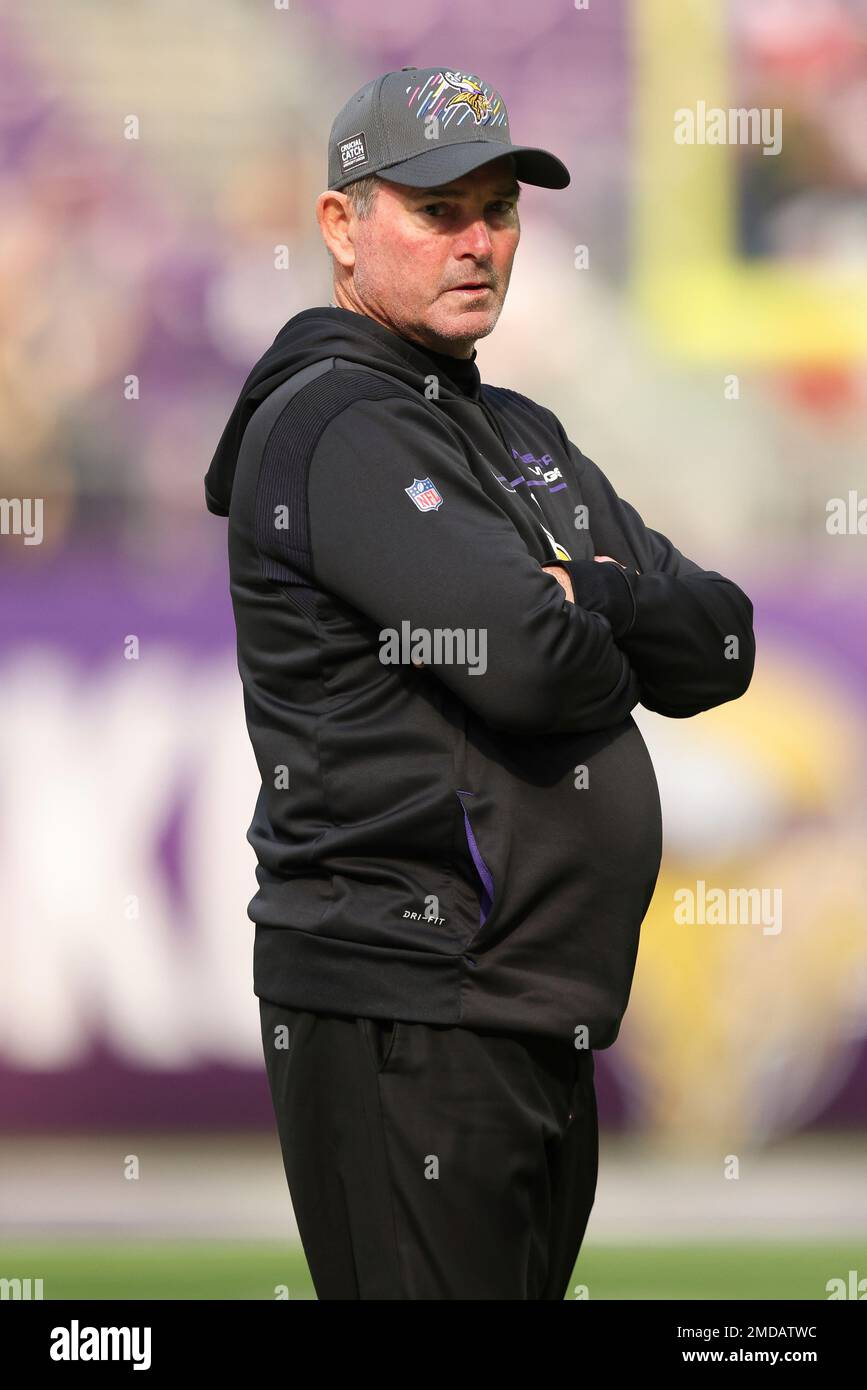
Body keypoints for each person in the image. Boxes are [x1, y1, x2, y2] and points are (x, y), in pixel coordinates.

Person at [204, 65, 755, 1299]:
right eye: (437, 209)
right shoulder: (335, 422)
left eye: (498, 208)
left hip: (519, 1004)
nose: (479, 241)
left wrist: (596, 592)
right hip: (409, 997)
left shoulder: (516, 432)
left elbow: (722, 641)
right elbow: (523, 662)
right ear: (342, 226)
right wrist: (588, 610)